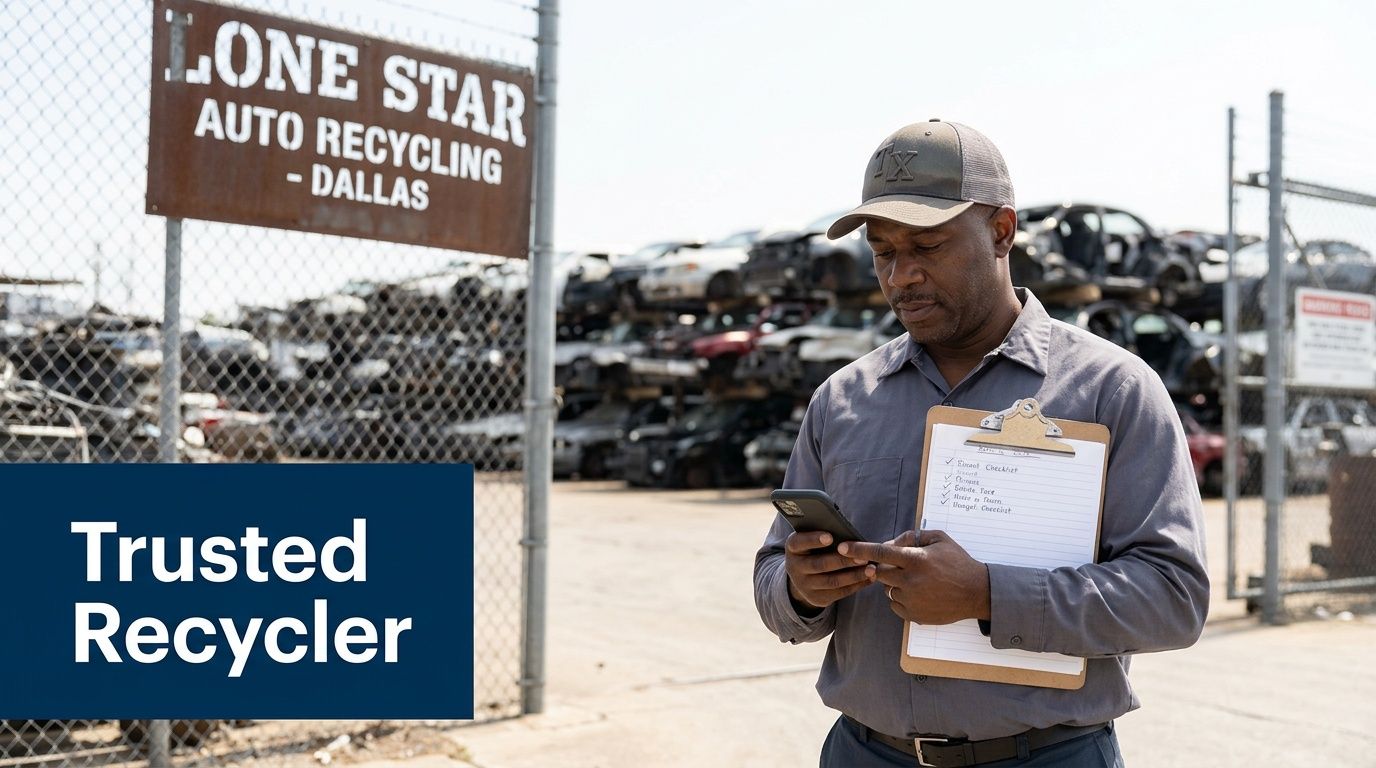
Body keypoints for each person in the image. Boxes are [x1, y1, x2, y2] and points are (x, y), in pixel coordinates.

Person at [753, 120, 1209, 767]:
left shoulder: (1112, 390)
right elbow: (772, 577)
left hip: (1046, 756)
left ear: (1001, 231)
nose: (901, 275)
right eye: (883, 252)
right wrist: (802, 588)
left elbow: (1173, 599)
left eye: (927, 246)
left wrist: (988, 595)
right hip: (864, 752)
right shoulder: (843, 400)